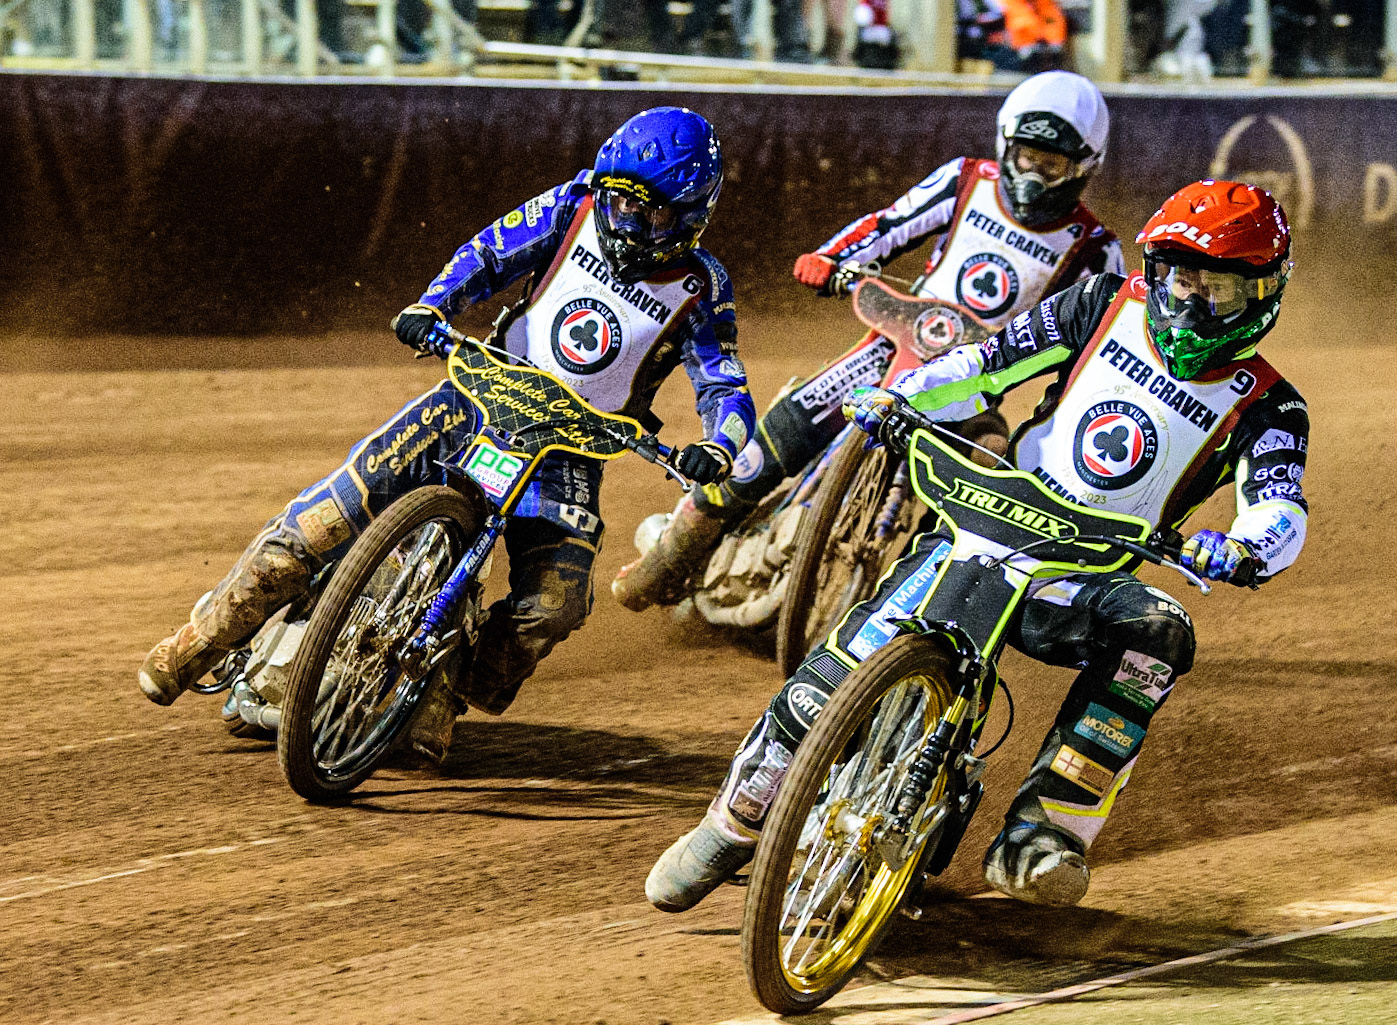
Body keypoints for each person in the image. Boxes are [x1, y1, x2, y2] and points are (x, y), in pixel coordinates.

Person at [646, 179, 1309, 912]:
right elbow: (986, 362)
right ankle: (732, 821)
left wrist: (1245, 548)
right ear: (1153, 270)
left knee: (1159, 630)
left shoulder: (1270, 404)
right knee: (832, 674)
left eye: (1214, 289)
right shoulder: (1098, 305)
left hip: (1080, 579)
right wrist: (904, 394)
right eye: (1178, 279)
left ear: (1262, 293)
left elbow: (1278, 501)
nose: (1187, 303)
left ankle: (1044, 828)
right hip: (986, 520)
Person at [138, 107, 756, 759]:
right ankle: (202, 638)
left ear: (692, 215)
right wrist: (434, 304)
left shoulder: (701, 286)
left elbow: (725, 383)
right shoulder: (573, 205)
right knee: (317, 525)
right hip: (475, 397)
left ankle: (450, 684)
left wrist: (717, 445)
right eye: (620, 203)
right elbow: (488, 253)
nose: (627, 222)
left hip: (569, 450)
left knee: (556, 603)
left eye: (650, 213)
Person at [613, 71, 1125, 613]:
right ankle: (666, 561)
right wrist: (833, 259)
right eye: (1027, 156)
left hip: (974, 390)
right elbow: (888, 225)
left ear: (1084, 167)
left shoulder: (1096, 250)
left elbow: (1090, 357)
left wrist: (1057, 414)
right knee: (775, 435)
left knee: (990, 479)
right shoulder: (966, 181)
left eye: (1053, 165)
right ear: (1005, 142)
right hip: (890, 347)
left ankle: (925, 609)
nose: (1035, 177)